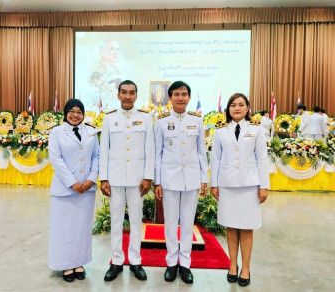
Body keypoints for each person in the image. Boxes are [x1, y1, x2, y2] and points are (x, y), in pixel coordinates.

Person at [210, 93, 269, 287]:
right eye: (233, 105)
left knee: (246, 226)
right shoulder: (220, 131)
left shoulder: (256, 130)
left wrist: (264, 186)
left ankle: (245, 268)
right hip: (227, 185)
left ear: (247, 108)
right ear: (228, 109)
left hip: (249, 186)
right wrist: (214, 184)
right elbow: (216, 158)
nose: (237, 108)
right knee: (231, 226)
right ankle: (232, 265)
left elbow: (262, 158)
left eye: (241, 105)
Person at [99, 80, 155, 282]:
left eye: (131, 93)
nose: (127, 96)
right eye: (124, 92)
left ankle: (135, 260)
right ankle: (116, 261)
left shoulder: (146, 118)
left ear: (136, 95)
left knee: (136, 221)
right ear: (118, 95)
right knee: (115, 220)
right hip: (114, 178)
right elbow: (104, 149)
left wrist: (148, 177)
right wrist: (103, 178)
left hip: (138, 179)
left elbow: (150, 149)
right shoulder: (109, 118)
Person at [154, 81, 208, 284]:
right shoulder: (160, 122)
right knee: (170, 223)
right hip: (169, 180)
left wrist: (204, 179)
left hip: (192, 179)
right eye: (176, 94)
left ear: (189, 97)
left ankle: (185, 264)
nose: (180, 97)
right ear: (170, 98)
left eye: (184, 94)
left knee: (187, 223)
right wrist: (157, 182)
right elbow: (157, 154)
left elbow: (202, 153)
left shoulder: (197, 121)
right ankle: (171, 262)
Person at [48, 99, 100, 282]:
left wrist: (90, 180)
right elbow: (56, 159)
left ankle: (79, 262)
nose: (75, 115)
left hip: (86, 190)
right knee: (64, 229)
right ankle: (65, 264)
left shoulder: (91, 132)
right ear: (65, 113)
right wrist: (73, 183)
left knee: (81, 229)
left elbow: (97, 157)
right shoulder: (56, 132)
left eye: (79, 111)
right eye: (72, 111)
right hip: (64, 190)